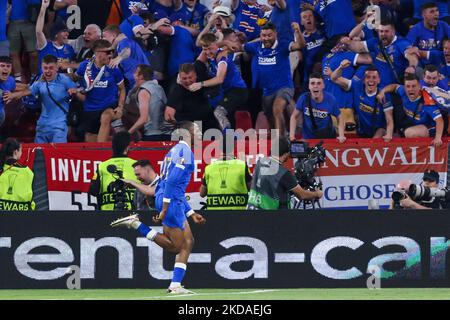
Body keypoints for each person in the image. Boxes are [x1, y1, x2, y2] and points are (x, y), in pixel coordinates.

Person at [110, 121, 206, 294]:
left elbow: (172, 186)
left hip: (171, 199)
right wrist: (165, 208)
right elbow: (171, 183)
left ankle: (176, 285)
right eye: (197, 130)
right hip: (170, 202)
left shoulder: (172, 152)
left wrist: (191, 213)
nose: (200, 134)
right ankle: (137, 225)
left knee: (189, 241)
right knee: (177, 246)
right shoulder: (186, 152)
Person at [239, 22, 303, 133]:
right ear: (260, 35)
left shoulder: (283, 45)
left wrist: (298, 31)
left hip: (284, 87)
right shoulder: (255, 46)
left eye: (269, 35)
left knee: (277, 108)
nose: (266, 38)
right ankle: (281, 137)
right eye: (264, 35)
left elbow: (300, 45)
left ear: (275, 34)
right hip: (266, 90)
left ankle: (281, 140)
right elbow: (238, 47)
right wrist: (222, 43)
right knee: (270, 117)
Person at [6, 55, 77, 143]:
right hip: (42, 125)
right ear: (42, 68)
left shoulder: (65, 80)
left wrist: (74, 91)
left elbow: (77, 92)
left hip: (59, 125)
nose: (48, 71)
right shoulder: (40, 82)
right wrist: (12, 95)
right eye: (45, 68)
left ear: (56, 68)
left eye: (51, 68)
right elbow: (25, 92)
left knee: (57, 153)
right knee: (39, 154)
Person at [247, 136, 322, 210]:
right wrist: (317, 194)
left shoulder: (260, 163)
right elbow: (302, 195)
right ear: (286, 154)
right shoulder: (284, 173)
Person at [72, 39, 126, 142]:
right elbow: (74, 78)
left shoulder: (114, 68)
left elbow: (122, 89)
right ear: (97, 53)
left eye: (111, 51)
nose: (110, 55)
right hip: (90, 109)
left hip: (109, 107)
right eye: (107, 52)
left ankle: (104, 151)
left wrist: (120, 107)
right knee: (91, 144)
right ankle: (112, 143)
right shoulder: (85, 66)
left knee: (105, 117)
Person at [327, 62, 395, 141]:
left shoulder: (383, 95)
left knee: (376, 138)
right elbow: (334, 78)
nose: (371, 80)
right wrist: (341, 67)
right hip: (361, 130)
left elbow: (389, 119)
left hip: (379, 130)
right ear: (363, 80)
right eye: (368, 77)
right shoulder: (357, 87)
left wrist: (389, 134)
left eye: (374, 77)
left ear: (379, 80)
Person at [194, 32, 248, 131]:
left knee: (218, 112)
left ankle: (228, 137)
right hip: (227, 92)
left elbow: (220, 79)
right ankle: (230, 142)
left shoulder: (222, 57)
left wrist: (200, 84)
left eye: (210, 49)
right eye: (205, 49)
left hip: (238, 91)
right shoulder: (211, 53)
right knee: (226, 115)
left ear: (216, 46)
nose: (207, 52)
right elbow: (201, 48)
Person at [377, 73, 444, 146]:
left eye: (414, 86)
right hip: (414, 124)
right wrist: (382, 91)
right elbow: (394, 86)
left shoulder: (427, 101)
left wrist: (438, 138)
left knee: (410, 133)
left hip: (431, 127)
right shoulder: (402, 91)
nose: (410, 89)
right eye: (408, 86)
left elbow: (439, 120)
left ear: (419, 86)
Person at [89, 131, 139, 210]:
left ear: (113, 146)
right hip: (132, 216)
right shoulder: (137, 165)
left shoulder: (102, 166)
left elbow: (93, 190)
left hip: (106, 216)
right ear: (128, 147)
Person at [289, 72, 346, 142]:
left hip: (328, 139)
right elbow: (294, 117)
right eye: (312, 83)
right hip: (308, 139)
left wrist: (341, 135)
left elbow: (339, 117)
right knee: (276, 147)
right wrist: (291, 136)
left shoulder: (330, 99)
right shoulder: (303, 98)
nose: (315, 86)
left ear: (323, 86)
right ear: (309, 86)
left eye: (319, 83)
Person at [200, 135, 252, 210]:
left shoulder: (208, 168)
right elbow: (251, 188)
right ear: (234, 146)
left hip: (215, 215)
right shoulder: (242, 165)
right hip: (239, 215)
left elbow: (202, 193)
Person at [164, 62, 219, 131]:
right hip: (188, 127)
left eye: (190, 77)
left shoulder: (205, 81)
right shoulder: (176, 89)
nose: (188, 81)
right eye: (184, 78)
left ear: (195, 75)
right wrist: (178, 128)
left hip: (208, 124)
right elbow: (168, 114)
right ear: (179, 77)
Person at [122, 64, 170, 141]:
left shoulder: (143, 92)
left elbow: (144, 119)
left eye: (135, 72)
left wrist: (128, 134)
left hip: (153, 135)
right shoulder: (159, 87)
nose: (133, 74)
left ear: (140, 76)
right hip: (167, 134)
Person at [102, 25, 150, 93]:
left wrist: (119, 58)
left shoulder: (124, 42)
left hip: (143, 85)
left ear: (113, 35)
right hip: (138, 84)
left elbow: (127, 51)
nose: (103, 39)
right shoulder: (121, 45)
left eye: (104, 36)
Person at [36, 0, 76, 74]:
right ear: (56, 34)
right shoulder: (45, 46)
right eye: (64, 31)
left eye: (67, 32)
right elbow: (38, 31)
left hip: (63, 81)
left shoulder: (70, 49)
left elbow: (71, 70)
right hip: (45, 81)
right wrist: (43, 8)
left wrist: (68, 66)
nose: (67, 34)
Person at [0, 138, 35, 211]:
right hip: (22, 217)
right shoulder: (28, 172)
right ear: (16, 152)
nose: (21, 153)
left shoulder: (1, 170)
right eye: (21, 150)